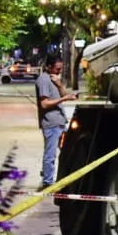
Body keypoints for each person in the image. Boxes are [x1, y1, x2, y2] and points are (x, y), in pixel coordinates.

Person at [36, 57, 76, 188]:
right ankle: (47, 182)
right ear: (48, 67)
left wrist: (59, 85)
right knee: (50, 154)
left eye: (61, 68)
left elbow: (63, 95)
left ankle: (57, 177)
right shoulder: (43, 80)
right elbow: (44, 104)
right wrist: (64, 98)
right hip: (51, 123)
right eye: (57, 68)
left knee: (67, 151)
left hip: (60, 122)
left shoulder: (54, 79)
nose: (59, 71)